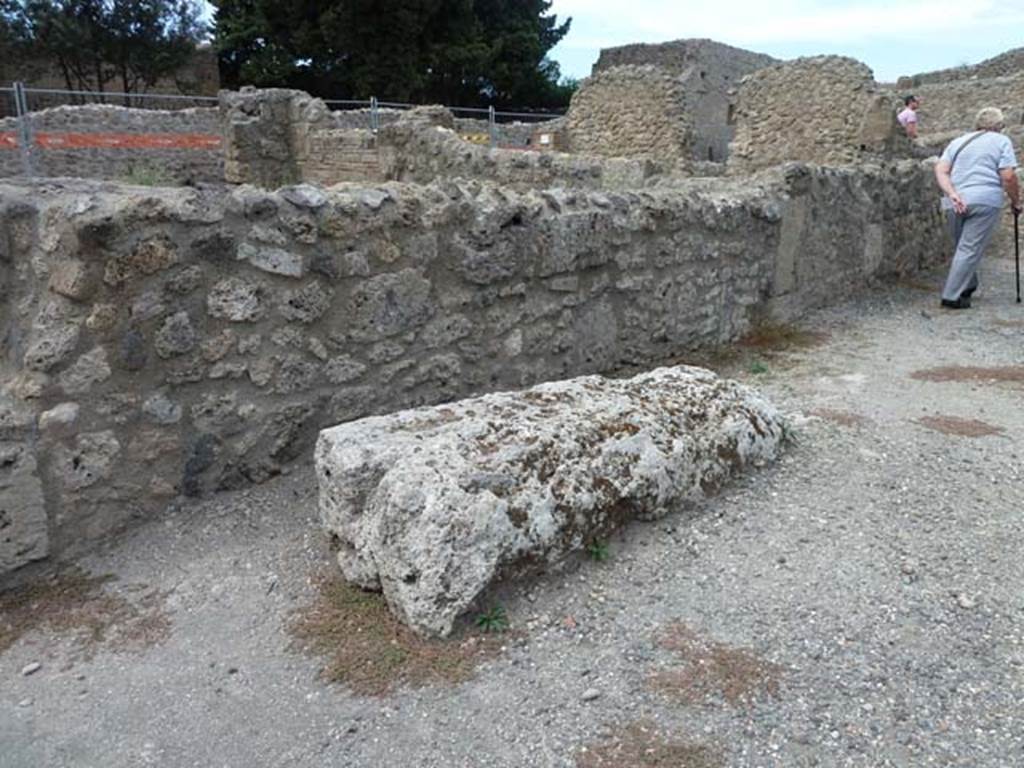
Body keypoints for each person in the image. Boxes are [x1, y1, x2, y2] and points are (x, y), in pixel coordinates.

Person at [934, 107, 1022, 309]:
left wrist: (952, 193)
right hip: (984, 199)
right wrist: (1016, 202)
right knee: (969, 248)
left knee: (962, 247)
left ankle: (968, 285)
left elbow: (940, 169)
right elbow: (1008, 176)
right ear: (1000, 126)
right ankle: (951, 296)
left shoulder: (957, 142)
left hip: (953, 200)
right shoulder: (1002, 141)